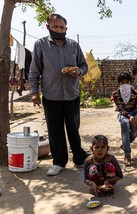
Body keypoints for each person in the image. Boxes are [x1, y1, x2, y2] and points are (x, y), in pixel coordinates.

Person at [29, 13, 88, 176]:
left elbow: (84, 65)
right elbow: (34, 71)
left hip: (72, 94)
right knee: (55, 130)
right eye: (55, 27)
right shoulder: (40, 45)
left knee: (73, 128)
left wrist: (79, 71)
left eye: (62, 27)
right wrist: (34, 92)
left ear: (66, 28)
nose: (59, 30)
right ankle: (59, 162)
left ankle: (79, 158)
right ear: (48, 27)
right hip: (51, 95)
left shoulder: (74, 45)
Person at [111, 72, 137, 166]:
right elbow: (121, 109)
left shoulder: (136, 93)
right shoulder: (116, 94)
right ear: (119, 83)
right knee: (125, 123)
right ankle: (127, 154)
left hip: (135, 113)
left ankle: (126, 143)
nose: (125, 85)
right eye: (122, 82)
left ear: (130, 82)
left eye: (127, 82)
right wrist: (129, 117)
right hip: (124, 114)